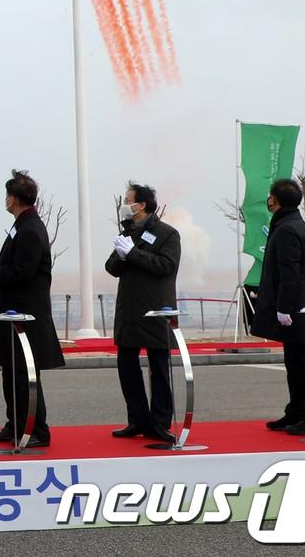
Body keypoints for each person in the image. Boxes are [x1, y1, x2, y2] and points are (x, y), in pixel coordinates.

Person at [0, 171, 64, 447]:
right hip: (12, 314)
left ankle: (37, 430)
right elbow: (12, 262)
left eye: (8, 195)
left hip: (26, 316)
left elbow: (22, 272)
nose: (6, 200)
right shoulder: (21, 225)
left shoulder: (31, 228)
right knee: (11, 372)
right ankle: (16, 424)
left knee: (25, 375)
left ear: (15, 198)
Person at [103, 182, 181, 443]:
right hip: (129, 310)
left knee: (159, 369)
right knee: (127, 367)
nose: (125, 205)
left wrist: (133, 254)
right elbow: (111, 267)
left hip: (156, 311)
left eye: (129, 200)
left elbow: (166, 266)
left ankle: (160, 423)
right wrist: (122, 255)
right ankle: (137, 419)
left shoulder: (167, 234)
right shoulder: (128, 232)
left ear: (142, 205)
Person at [251, 178, 305, 436]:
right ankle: (296, 411)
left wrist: (283, 307)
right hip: (297, 308)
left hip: (296, 310)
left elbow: (289, 273)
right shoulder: (292, 225)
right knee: (293, 364)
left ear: (276, 200)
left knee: (301, 365)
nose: (268, 199)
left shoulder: (287, 230)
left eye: (271, 195)